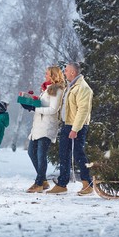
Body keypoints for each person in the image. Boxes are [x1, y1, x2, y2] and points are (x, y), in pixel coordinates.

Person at [46, 62, 94, 195]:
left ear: (73, 72)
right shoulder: (70, 86)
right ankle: (62, 184)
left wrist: (75, 129)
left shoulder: (83, 88)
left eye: (66, 70)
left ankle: (87, 184)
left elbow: (83, 111)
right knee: (63, 155)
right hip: (67, 125)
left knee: (78, 154)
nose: (64, 72)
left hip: (77, 126)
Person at [21, 66, 65, 193]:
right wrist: (30, 104)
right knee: (31, 152)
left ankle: (39, 183)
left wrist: (36, 108)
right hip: (38, 126)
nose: (45, 75)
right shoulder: (46, 89)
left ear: (53, 75)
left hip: (47, 126)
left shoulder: (57, 90)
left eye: (47, 74)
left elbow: (53, 109)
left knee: (41, 155)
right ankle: (43, 180)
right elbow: (42, 105)